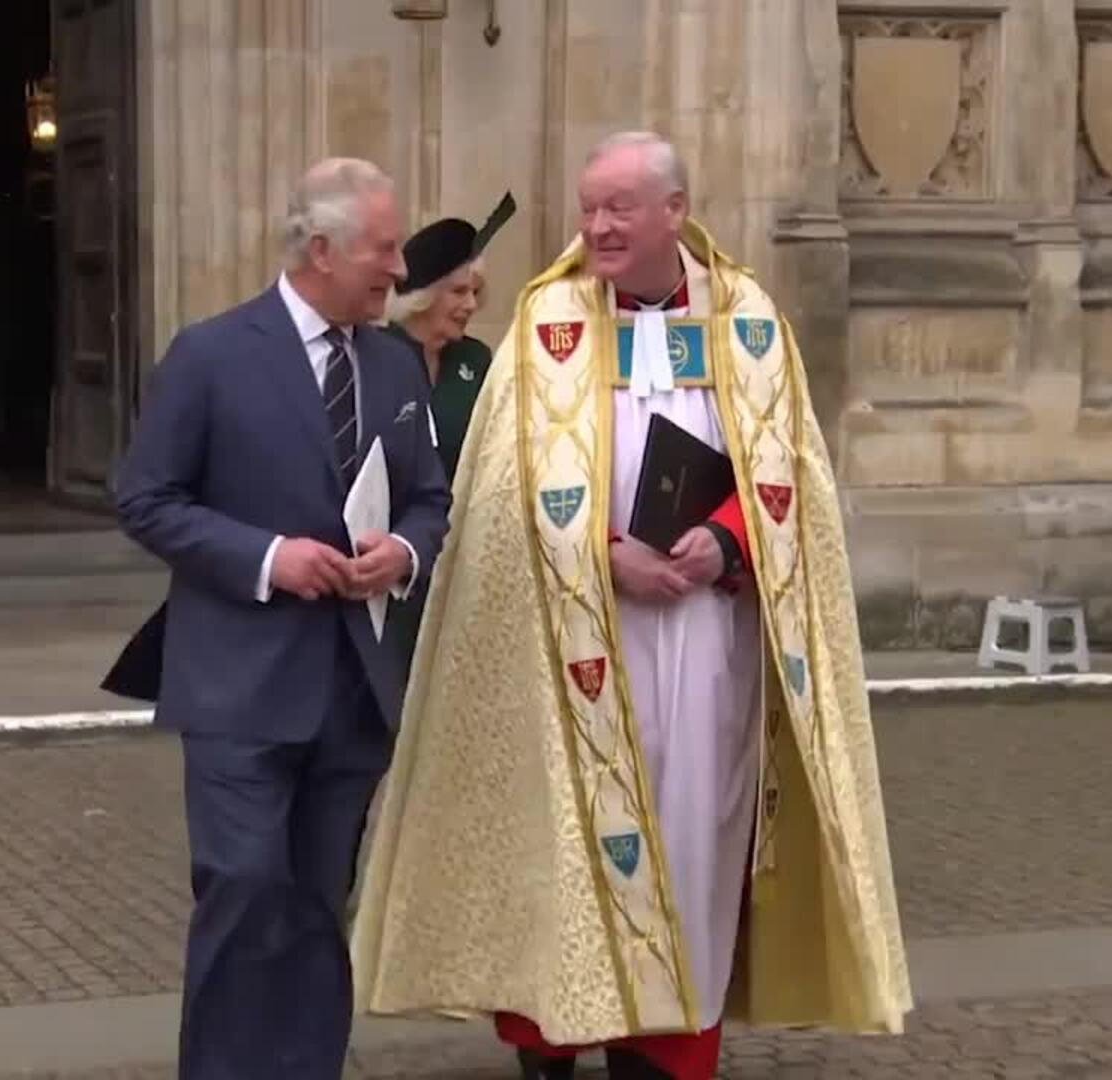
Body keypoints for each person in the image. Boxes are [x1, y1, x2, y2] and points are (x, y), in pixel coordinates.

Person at [350, 132, 912, 1080]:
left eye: (619, 208)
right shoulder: (549, 321)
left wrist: (727, 540)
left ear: (674, 211)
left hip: (707, 638)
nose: (598, 227)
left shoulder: (747, 322)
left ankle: (664, 1050)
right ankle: (553, 1038)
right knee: (564, 841)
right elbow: (504, 485)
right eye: (589, 209)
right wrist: (602, 553)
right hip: (570, 635)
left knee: (693, 838)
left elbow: (788, 473)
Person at [114, 157, 451, 1079]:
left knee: (316, 905)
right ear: (322, 250)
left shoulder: (394, 364)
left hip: (353, 690)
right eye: (384, 249)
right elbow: (145, 498)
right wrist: (269, 559)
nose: (400, 269)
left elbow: (430, 498)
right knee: (242, 887)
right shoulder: (210, 355)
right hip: (238, 685)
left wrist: (404, 552)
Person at [379, 192, 513, 683]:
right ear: (423, 295)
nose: (470, 305)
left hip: (462, 566)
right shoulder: (375, 357)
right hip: (389, 568)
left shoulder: (476, 361)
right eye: (458, 292)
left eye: (475, 292)